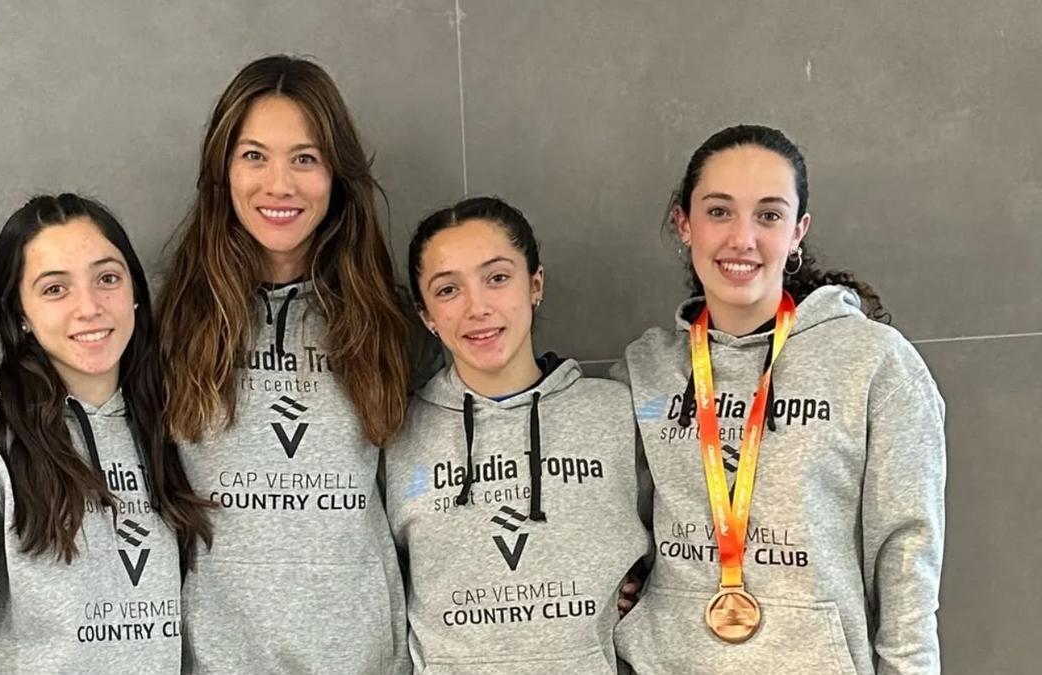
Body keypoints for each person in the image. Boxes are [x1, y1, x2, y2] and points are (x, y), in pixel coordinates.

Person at [612, 124, 946, 674]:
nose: (743, 238)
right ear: (684, 223)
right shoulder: (645, 370)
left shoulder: (874, 363)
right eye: (719, 211)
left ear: (797, 231)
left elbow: (908, 555)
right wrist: (620, 581)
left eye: (768, 215)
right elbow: (615, 524)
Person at [158, 55, 423, 673]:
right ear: (222, 170)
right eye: (254, 156)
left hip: (365, 661)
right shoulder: (166, 320)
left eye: (305, 158)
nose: (279, 185)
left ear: (337, 174)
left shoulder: (393, 322)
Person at [0, 193, 212, 673]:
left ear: (134, 292)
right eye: (54, 289)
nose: (89, 307)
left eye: (107, 278)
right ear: (19, 313)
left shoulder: (175, 424)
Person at [384, 196, 649, 673]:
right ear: (426, 315)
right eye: (448, 290)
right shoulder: (397, 434)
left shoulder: (615, 414)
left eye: (497, 278)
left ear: (535, 285)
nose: (477, 307)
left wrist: (641, 587)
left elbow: (686, 542)